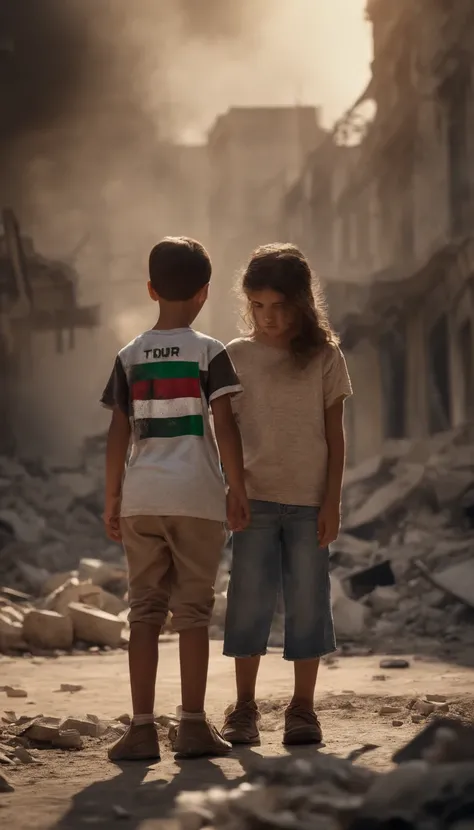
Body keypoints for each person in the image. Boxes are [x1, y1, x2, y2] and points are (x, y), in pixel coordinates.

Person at [101, 237, 249, 762]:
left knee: (144, 610)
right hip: (198, 498)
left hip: (142, 497)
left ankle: (141, 729)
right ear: (205, 293)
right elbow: (225, 428)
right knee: (192, 612)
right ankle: (191, 726)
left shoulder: (129, 355)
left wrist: (112, 496)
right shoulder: (211, 351)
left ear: (150, 290)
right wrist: (237, 489)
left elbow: (118, 432)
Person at [221, 243, 352, 747]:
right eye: (258, 306)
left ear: (301, 301)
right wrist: (234, 488)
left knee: (307, 603)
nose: (268, 317)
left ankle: (303, 708)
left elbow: (335, 437)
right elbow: (225, 431)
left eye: (278, 306)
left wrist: (331, 502)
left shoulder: (324, 355)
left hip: (307, 502)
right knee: (248, 602)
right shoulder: (235, 356)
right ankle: (245, 707)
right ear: (247, 303)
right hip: (253, 501)